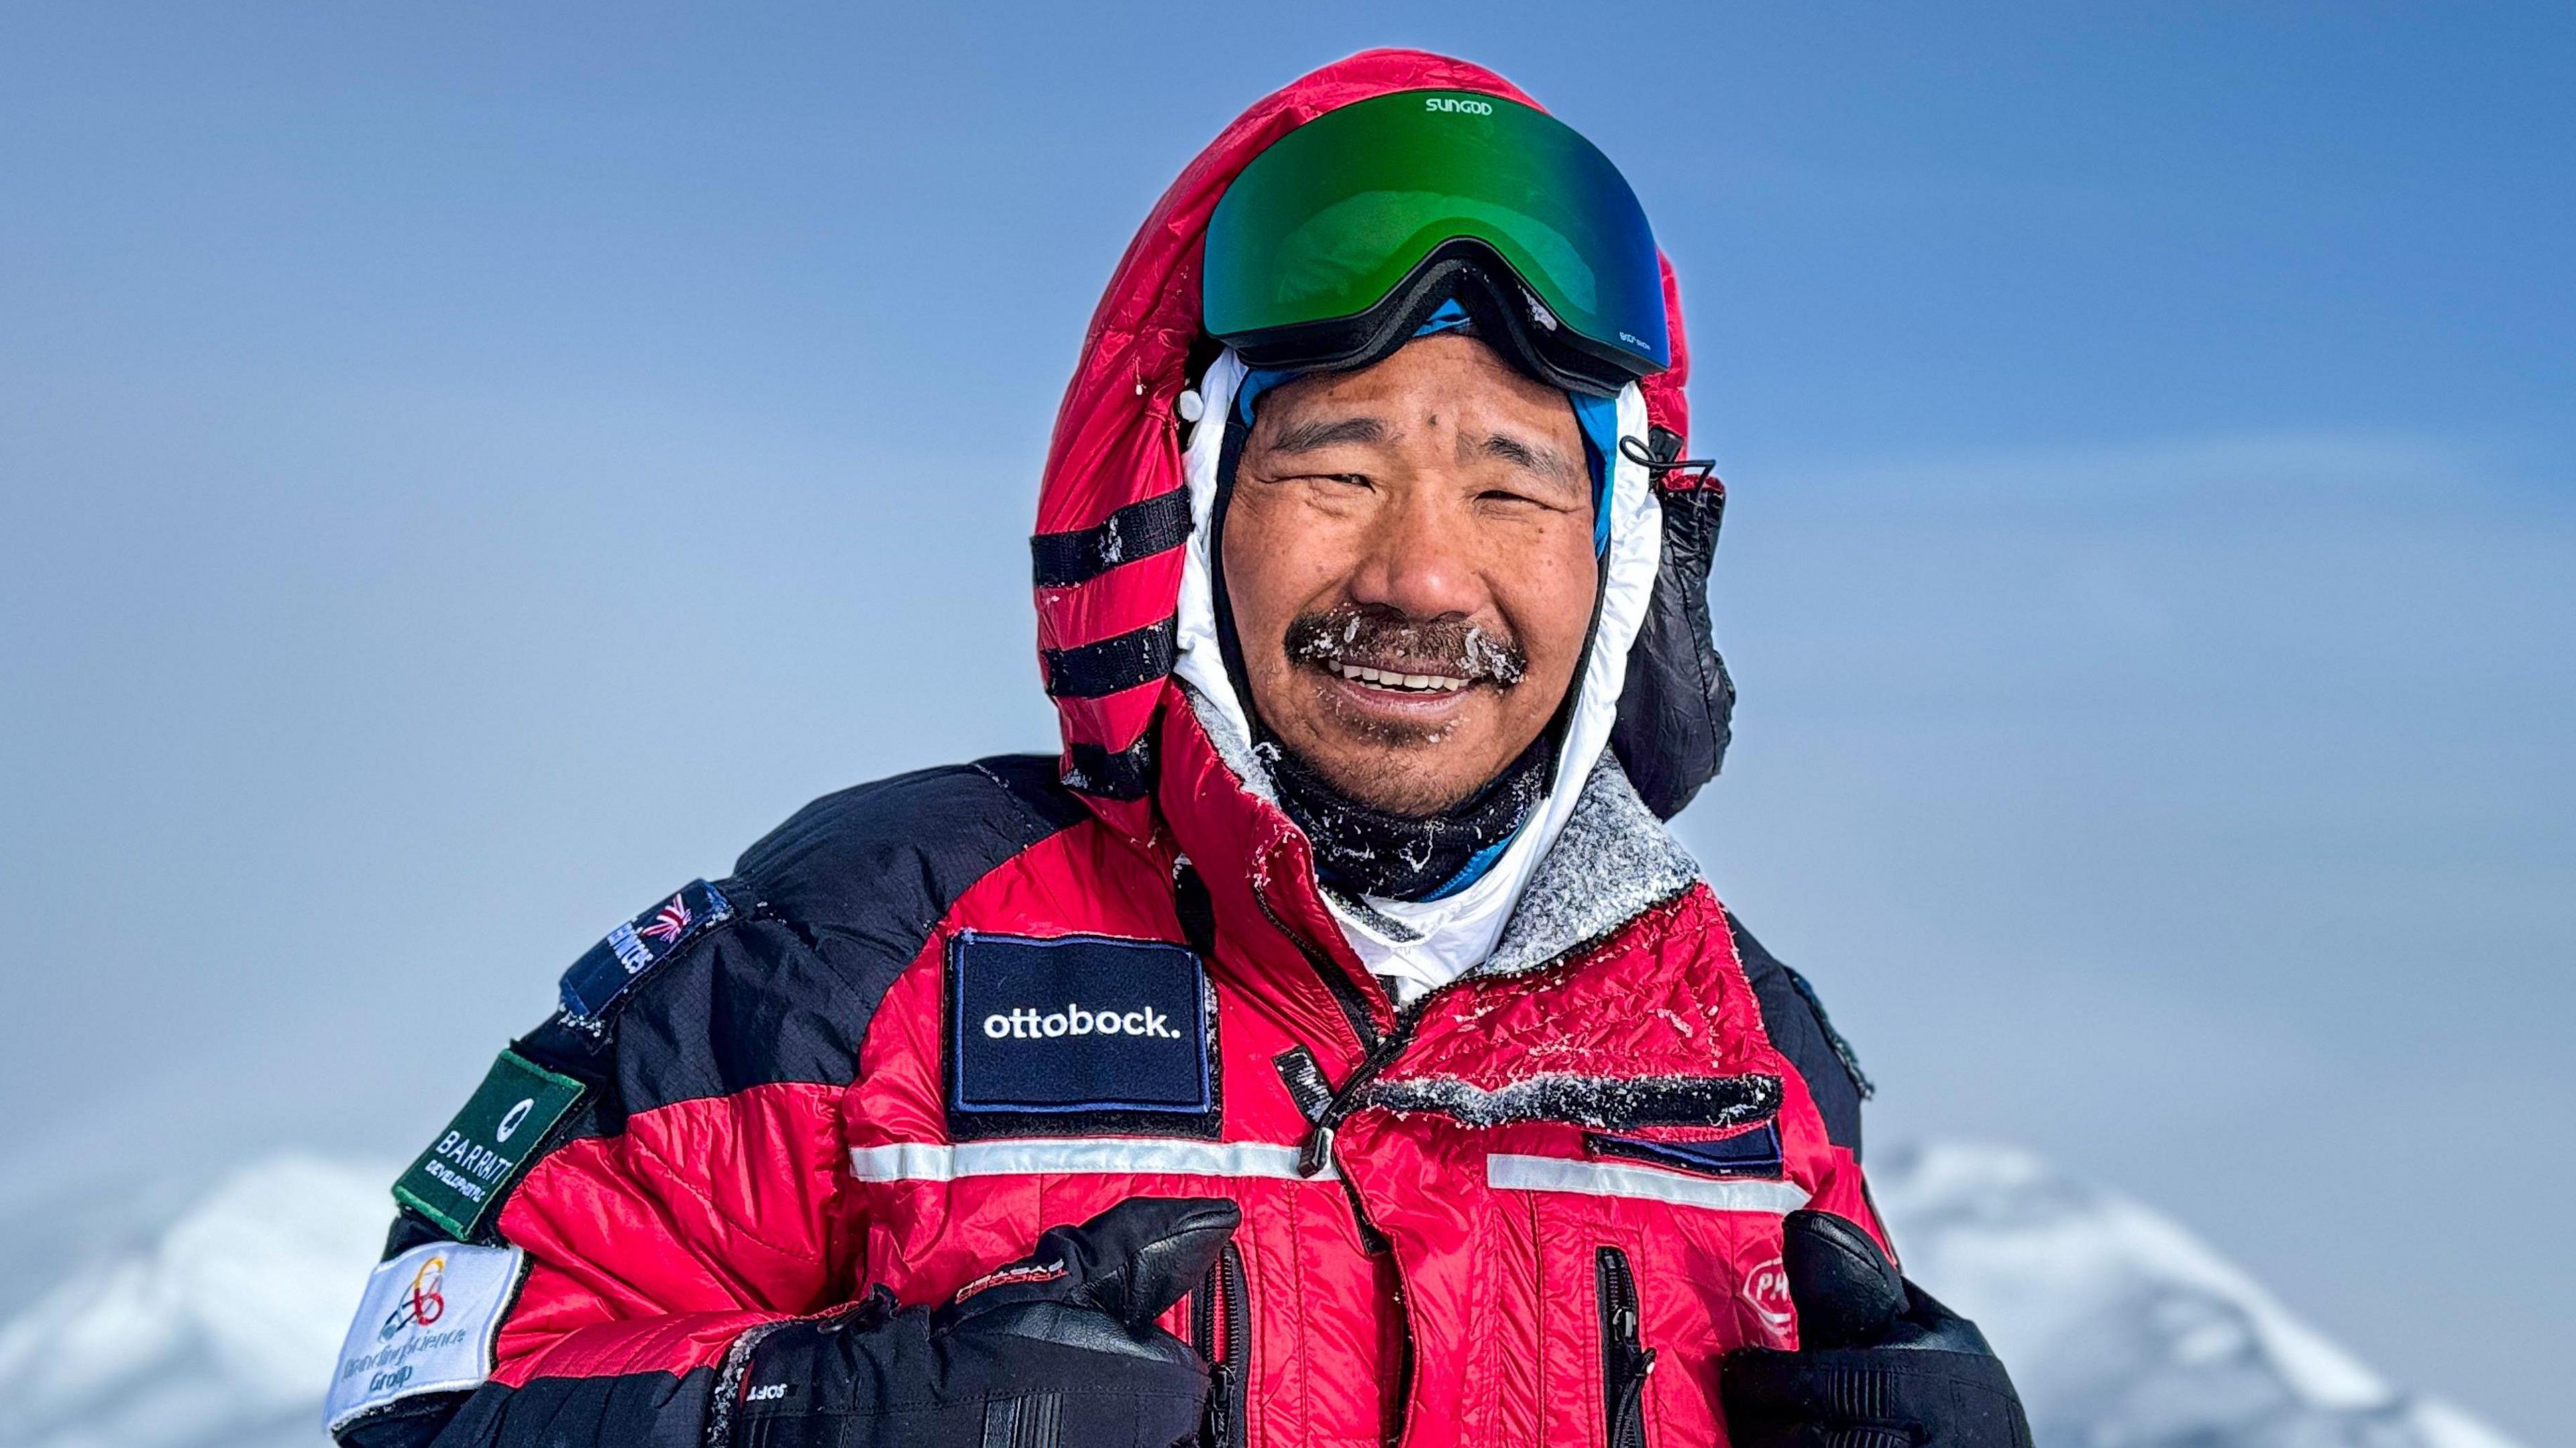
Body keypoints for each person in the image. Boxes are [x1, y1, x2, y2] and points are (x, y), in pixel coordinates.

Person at [324, 48, 2030, 1448]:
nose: (1424, 574)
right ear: (1183, 511)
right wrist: (806, 1419)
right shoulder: (853, 953)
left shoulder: (1743, 1048)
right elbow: (422, 1385)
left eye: (1513, 485)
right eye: (1337, 470)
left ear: (1628, 556)